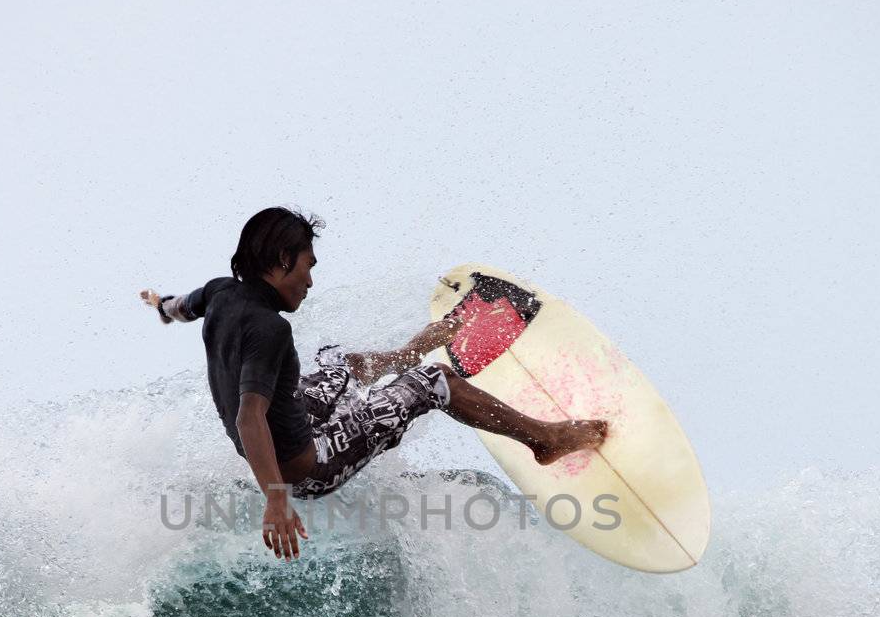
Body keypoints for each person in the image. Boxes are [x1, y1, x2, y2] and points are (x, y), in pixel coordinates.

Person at [140, 207, 607, 561]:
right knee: (435, 381)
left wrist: (161, 306)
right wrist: (277, 500)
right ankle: (546, 439)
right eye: (308, 265)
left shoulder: (221, 290)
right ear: (282, 260)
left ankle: (409, 351)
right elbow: (249, 416)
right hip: (307, 465)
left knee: (334, 359)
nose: (310, 280)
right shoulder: (269, 329)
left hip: (295, 421)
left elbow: (184, 306)